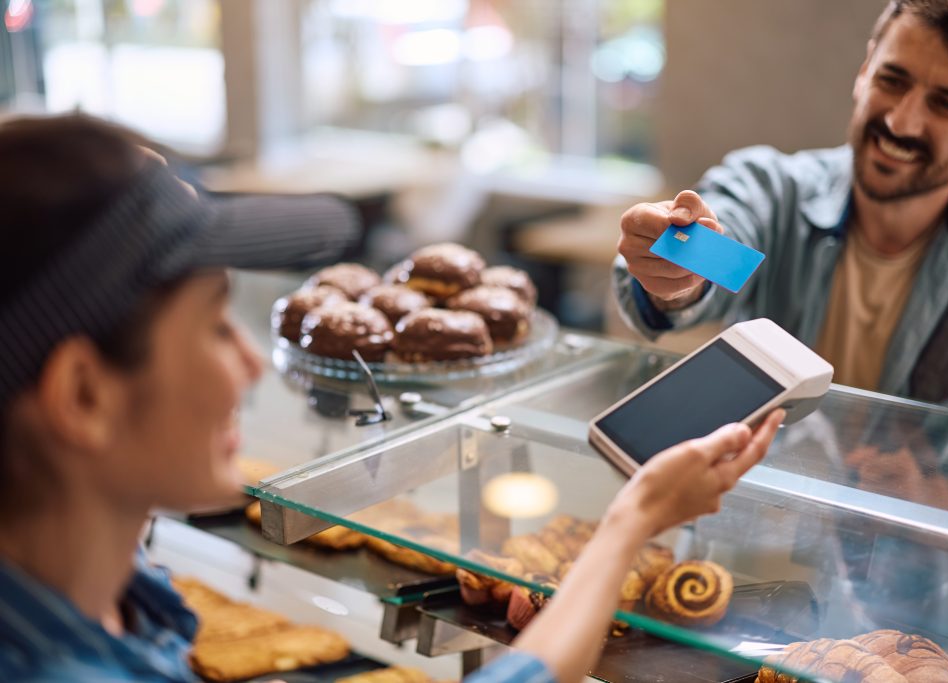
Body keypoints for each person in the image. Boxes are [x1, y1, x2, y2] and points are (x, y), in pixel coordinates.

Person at [0, 113, 784, 683]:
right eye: (212, 327)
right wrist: (633, 520)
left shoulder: (112, 603)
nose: (250, 364)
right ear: (83, 394)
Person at [615, 0, 948, 418]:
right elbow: (717, 248)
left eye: (947, 105)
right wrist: (679, 260)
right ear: (864, 71)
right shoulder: (775, 191)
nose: (901, 122)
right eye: (892, 79)